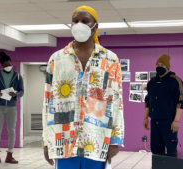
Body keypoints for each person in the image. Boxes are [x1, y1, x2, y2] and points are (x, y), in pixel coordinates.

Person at [42, 5, 124, 169]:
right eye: (75, 21)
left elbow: (116, 102)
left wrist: (115, 140)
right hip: (63, 139)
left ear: (95, 26)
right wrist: (47, 140)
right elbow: (48, 102)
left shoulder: (110, 60)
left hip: (96, 140)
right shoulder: (56, 59)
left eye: (85, 21)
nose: (79, 24)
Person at [143, 54, 183, 156]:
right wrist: (145, 118)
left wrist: (176, 120)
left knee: (171, 150)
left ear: (167, 66)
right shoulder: (152, 82)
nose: (159, 66)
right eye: (157, 64)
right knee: (156, 150)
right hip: (154, 121)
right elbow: (148, 100)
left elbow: (181, 101)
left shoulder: (175, 80)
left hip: (169, 122)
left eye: (162, 64)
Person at [0, 51, 24, 164]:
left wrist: (16, 94)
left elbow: (22, 91)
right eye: (6, 65)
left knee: (11, 131)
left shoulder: (17, 76)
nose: (8, 66)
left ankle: (10, 155)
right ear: (2, 65)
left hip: (12, 107)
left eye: (10, 64)